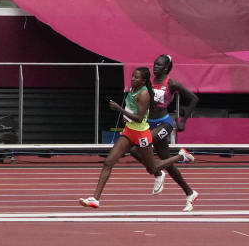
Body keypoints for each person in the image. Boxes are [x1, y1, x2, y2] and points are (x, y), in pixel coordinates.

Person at [79, 67, 195, 210]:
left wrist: (119, 109)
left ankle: (181, 156)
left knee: (153, 168)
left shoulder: (144, 94)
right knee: (108, 161)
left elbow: (140, 119)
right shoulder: (132, 89)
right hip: (129, 132)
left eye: (136, 77)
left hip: (141, 134)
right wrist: (126, 116)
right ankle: (95, 199)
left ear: (144, 81)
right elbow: (132, 111)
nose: (133, 79)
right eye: (133, 76)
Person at [139, 54, 200, 207]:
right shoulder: (148, 81)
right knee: (167, 163)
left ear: (166, 68)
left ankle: (158, 172)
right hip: (148, 123)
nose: (155, 67)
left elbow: (194, 99)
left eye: (159, 65)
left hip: (164, 123)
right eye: (154, 64)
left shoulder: (171, 83)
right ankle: (190, 192)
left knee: (138, 145)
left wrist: (183, 120)